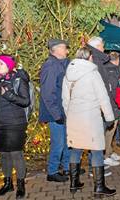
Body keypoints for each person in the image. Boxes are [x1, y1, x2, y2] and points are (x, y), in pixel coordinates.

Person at [62, 47, 117, 197]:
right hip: (91, 118)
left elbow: (65, 99)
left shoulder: (69, 74)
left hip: (74, 117)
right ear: (89, 58)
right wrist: (109, 117)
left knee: (76, 149)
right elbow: (103, 98)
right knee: (97, 150)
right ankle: (99, 187)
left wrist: (70, 113)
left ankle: (74, 184)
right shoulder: (93, 74)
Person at [0, 55, 30, 198]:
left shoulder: (18, 79)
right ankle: (8, 183)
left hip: (14, 123)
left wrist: (9, 95)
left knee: (16, 155)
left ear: (9, 65)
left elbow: (25, 101)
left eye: (1, 64)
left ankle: (21, 185)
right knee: (4, 155)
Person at [39, 39, 71, 182]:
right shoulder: (50, 66)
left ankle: (67, 167)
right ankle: (52, 171)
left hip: (62, 111)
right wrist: (56, 114)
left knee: (65, 141)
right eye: (65, 48)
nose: (67, 51)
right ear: (56, 49)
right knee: (58, 143)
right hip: (55, 113)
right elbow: (48, 93)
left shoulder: (59, 64)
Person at [87, 37, 120, 167]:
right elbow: (100, 86)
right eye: (102, 46)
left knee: (103, 133)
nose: (104, 48)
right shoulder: (95, 61)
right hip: (99, 104)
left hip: (103, 102)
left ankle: (101, 161)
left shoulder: (98, 60)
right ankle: (97, 167)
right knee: (98, 136)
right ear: (96, 47)